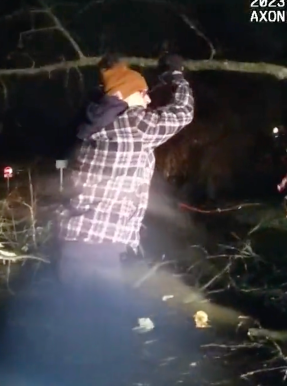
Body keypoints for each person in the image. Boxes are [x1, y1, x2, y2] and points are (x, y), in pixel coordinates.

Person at [39, 54, 194, 384]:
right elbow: (183, 113)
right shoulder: (133, 125)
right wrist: (177, 76)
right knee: (105, 324)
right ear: (123, 96)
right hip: (99, 245)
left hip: (75, 239)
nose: (149, 99)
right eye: (142, 93)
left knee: (80, 320)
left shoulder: (96, 127)